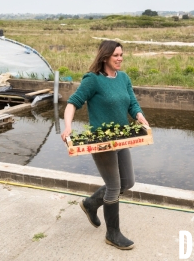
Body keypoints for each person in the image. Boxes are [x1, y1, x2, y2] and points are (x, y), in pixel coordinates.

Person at [61, 40, 149, 250]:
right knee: (114, 186)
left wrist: (140, 117)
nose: (120, 58)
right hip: (101, 141)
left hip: (121, 137)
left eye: (121, 55)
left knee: (127, 182)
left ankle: (91, 203)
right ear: (105, 57)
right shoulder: (93, 80)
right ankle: (113, 234)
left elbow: (132, 103)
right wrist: (67, 127)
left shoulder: (124, 78)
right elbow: (73, 103)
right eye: (115, 55)